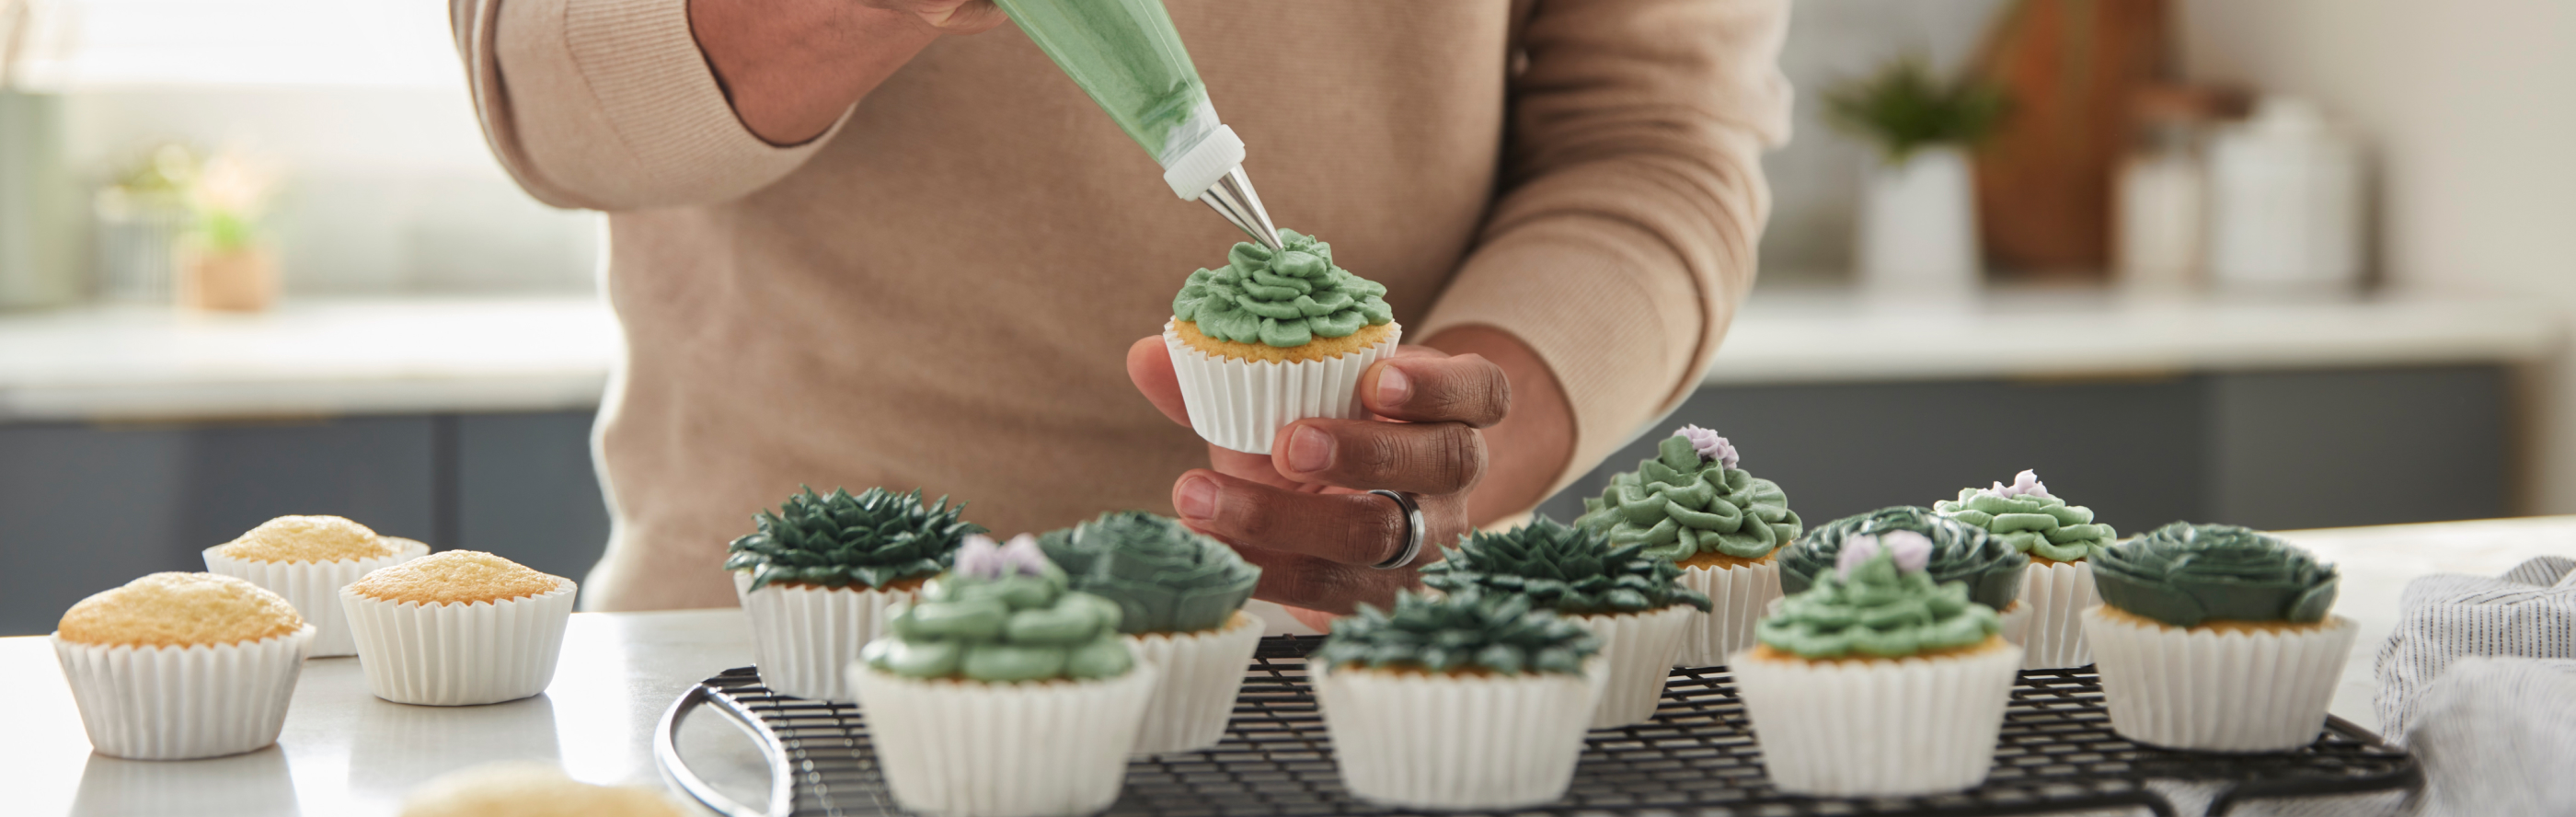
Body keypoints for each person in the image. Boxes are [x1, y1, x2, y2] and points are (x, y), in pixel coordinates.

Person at [449, 0, 1789, 622]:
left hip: (1360, 663)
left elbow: (1656, 135)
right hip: (790, 644)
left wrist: (1460, 450)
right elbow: (545, 99)